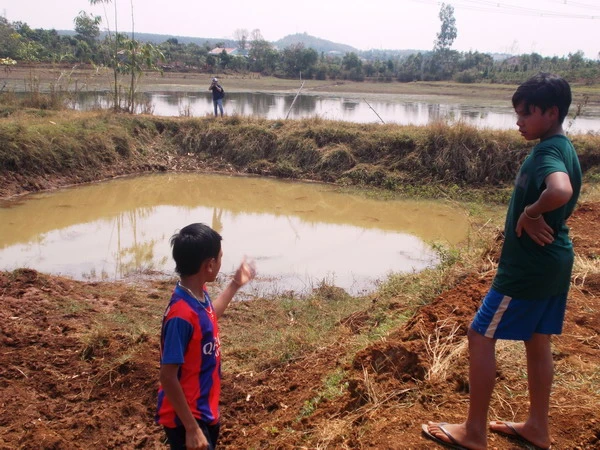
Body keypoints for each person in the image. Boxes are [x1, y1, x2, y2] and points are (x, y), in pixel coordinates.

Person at [422, 72, 582, 450]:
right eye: (517, 113)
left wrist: (530, 212)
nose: (519, 121)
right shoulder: (564, 147)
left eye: (527, 113)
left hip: (527, 268)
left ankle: (474, 432)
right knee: (537, 340)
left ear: (551, 112)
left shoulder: (546, 153)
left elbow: (561, 190)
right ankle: (536, 428)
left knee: (480, 336)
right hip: (553, 262)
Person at [156, 223, 256, 450]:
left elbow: (210, 317)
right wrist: (191, 429)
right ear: (209, 265)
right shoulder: (180, 315)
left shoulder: (198, 295)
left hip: (204, 409)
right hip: (186, 418)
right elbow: (167, 376)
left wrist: (234, 284)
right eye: (220, 258)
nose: (221, 263)